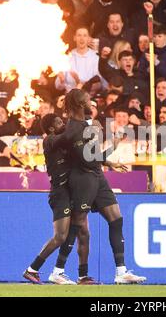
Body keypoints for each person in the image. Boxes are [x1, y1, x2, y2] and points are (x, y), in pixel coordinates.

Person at [59, 88, 146, 284]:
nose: (93, 103)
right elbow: (87, 159)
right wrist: (113, 149)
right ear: (81, 104)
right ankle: (59, 270)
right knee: (77, 225)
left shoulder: (90, 124)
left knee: (116, 218)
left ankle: (121, 272)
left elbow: (93, 157)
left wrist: (108, 159)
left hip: (98, 177)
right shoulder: (74, 128)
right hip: (82, 180)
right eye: (89, 100)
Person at [22, 113, 76, 285]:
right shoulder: (49, 140)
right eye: (60, 122)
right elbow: (68, 136)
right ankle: (32, 269)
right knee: (60, 236)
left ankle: (58, 272)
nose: (64, 123)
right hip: (59, 193)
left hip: (69, 191)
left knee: (74, 230)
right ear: (52, 128)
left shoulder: (63, 141)